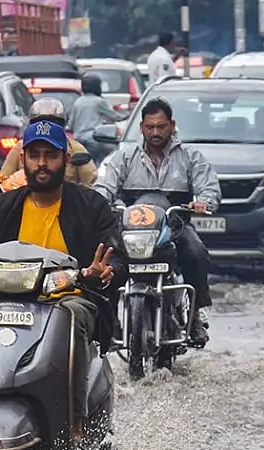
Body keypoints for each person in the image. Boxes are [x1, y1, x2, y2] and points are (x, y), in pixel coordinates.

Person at [0, 120, 127, 440]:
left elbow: (117, 259)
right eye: (34, 155)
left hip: (67, 300)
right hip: (5, 300)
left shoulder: (91, 206)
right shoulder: (6, 206)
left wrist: (106, 272)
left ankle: (74, 421)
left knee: (72, 316)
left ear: (64, 159)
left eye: (50, 155)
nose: (42, 164)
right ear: (23, 161)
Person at [92, 98, 220, 345]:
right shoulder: (124, 157)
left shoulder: (190, 156)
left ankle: (194, 315)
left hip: (174, 225)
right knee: (106, 256)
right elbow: (104, 186)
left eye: (161, 126)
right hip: (132, 229)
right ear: (141, 127)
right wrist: (97, 203)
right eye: (150, 127)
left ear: (172, 126)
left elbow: (209, 188)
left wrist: (203, 201)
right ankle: (109, 319)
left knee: (196, 252)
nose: (155, 132)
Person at [0, 98, 96, 186]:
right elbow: (4, 181)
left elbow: (90, 183)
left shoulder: (76, 148)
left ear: (67, 158)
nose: (42, 163)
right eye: (34, 155)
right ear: (22, 157)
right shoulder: (21, 146)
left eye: (52, 155)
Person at [70, 73, 126, 161]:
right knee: (103, 158)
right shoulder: (99, 102)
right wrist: (128, 116)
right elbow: (115, 116)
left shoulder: (78, 102)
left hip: (78, 140)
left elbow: (71, 124)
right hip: (93, 140)